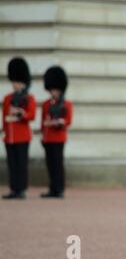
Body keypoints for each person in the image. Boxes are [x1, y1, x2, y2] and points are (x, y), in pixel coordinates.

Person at [2, 57, 36, 199]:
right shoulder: (7, 98)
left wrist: (22, 114)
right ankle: (13, 189)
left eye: (18, 82)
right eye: (14, 82)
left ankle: (21, 190)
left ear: (24, 83)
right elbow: (4, 117)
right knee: (12, 164)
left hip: (22, 136)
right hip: (9, 136)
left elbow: (32, 115)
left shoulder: (29, 98)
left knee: (21, 164)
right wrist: (4, 131)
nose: (15, 85)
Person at [40, 66, 73, 198]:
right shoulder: (46, 104)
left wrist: (59, 122)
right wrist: (43, 135)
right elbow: (43, 122)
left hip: (59, 138)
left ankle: (60, 189)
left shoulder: (66, 104)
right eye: (52, 89)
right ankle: (52, 189)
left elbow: (68, 121)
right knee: (50, 165)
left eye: (55, 89)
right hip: (48, 138)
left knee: (58, 164)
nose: (53, 92)